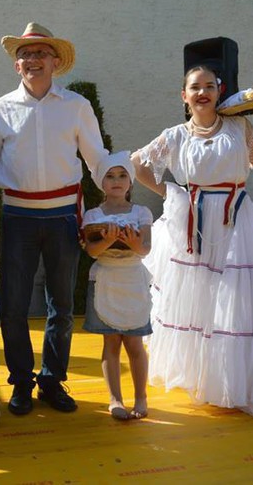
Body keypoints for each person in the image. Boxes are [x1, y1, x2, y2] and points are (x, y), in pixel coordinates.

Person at [132, 65, 253, 419]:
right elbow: (137, 163)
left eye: (209, 86)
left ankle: (238, 384)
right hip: (195, 222)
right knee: (201, 298)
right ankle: (208, 380)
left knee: (236, 299)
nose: (202, 92)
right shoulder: (174, 136)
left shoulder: (238, 127)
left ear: (219, 91)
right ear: (184, 95)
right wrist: (172, 193)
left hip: (236, 220)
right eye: (195, 87)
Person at [0, 22, 109, 415]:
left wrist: (116, 201)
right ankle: (22, 382)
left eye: (40, 52)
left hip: (62, 217)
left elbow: (97, 161)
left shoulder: (76, 106)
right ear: (16, 65)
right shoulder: (0, 109)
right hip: (18, 216)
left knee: (62, 305)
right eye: (25, 54)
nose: (32, 59)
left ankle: (52, 381)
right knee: (13, 306)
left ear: (55, 61)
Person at [82, 151, 152, 421]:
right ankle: (115, 399)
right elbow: (92, 251)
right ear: (101, 182)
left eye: (123, 175)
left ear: (130, 181)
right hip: (106, 279)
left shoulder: (141, 212)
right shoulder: (93, 215)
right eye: (110, 176)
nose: (117, 181)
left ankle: (141, 397)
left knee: (135, 344)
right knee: (110, 343)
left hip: (132, 280)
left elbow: (145, 248)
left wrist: (132, 242)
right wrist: (109, 240)